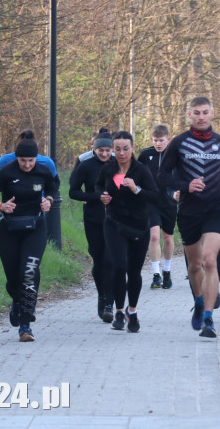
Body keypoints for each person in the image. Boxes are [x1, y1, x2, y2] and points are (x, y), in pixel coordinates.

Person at [158, 97, 220, 339]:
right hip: (188, 211)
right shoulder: (180, 143)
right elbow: (163, 175)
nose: (202, 116)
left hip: (215, 209)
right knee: (194, 266)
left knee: (209, 261)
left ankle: (208, 318)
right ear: (190, 115)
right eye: (197, 112)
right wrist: (185, 185)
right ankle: (198, 301)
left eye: (205, 112)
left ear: (213, 113)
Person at [0, 137, 56, 342]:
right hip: (9, 229)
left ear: (36, 158)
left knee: (29, 271)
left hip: (36, 228)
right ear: (17, 158)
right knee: (14, 278)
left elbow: (53, 189)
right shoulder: (6, 171)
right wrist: (1, 206)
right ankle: (17, 301)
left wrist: (48, 201)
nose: (27, 165)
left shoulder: (43, 171)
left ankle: (25, 325)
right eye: (23, 160)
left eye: (31, 160)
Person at [97, 130, 157, 333]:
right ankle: (119, 311)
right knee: (119, 265)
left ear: (132, 149)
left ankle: (133, 311)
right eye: (118, 149)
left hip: (138, 225)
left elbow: (153, 196)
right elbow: (98, 187)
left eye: (125, 149)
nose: (121, 153)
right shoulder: (108, 169)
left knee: (134, 271)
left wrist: (136, 189)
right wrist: (103, 196)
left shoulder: (141, 170)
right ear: (113, 150)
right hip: (114, 224)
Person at [69, 128, 115, 322]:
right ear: (94, 149)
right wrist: (94, 197)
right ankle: (102, 294)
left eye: (108, 150)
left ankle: (109, 304)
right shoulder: (86, 165)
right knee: (98, 260)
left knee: (110, 260)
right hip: (93, 219)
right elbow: (73, 191)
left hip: (116, 219)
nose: (104, 154)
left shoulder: (119, 164)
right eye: (100, 150)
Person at [138, 124, 177, 291]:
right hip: (151, 202)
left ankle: (166, 271)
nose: (158, 144)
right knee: (154, 236)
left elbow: (182, 176)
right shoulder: (146, 155)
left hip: (169, 202)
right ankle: (156, 274)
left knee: (167, 237)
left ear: (168, 139)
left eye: (161, 140)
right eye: (155, 141)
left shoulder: (176, 156)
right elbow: (136, 173)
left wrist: (177, 191)